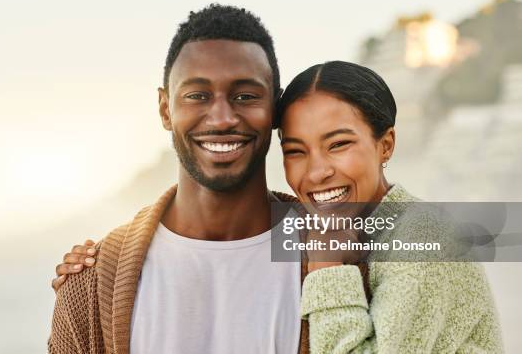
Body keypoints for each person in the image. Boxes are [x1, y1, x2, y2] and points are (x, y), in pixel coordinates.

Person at [53, 59, 504, 353]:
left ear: (385, 144)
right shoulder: (335, 227)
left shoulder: (423, 237)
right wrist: (99, 267)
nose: (317, 171)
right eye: (296, 150)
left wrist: (327, 271)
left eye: (339, 144)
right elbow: (224, 262)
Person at [48, 3, 310, 354]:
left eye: (245, 96)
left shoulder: (341, 252)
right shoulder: (90, 284)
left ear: (275, 108)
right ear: (165, 108)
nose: (221, 118)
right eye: (197, 96)